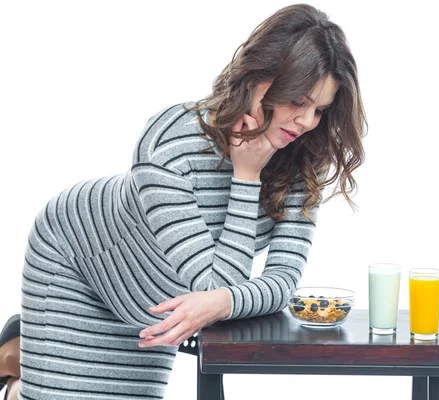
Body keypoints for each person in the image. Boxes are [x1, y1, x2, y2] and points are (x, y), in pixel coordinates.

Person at [0, 3, 366, 399]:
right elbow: (213, 286)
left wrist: (225, 300)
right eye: (298, 102)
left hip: (154, 302)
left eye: (321, 109)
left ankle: (22, 365)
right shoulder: (173, 141)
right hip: (77, 259)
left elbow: (280, 285)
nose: (307, 122)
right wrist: (245, 176)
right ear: (259, 79)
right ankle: (18, 376)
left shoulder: (301, 160)